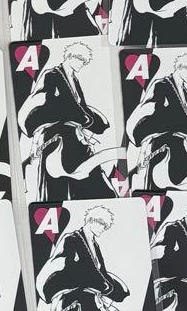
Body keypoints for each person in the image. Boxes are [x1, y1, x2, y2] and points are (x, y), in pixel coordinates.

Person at [20, 42, 116, 201]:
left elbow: (81, 106)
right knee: (57, 185)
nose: (82, 65)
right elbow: (44, 105)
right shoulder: (52, 75)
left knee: (94, 180)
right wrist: (76, 116)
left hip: (75, 137)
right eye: (81, 60)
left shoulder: (74, 79)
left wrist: (91, 123)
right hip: (55, 137)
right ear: (71, 57)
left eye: (85, 62)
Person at [127, 53, 187, 191]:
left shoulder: (184, 90)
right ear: (181, 68)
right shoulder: (161, 85)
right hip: (162, 144)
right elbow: (156, 114)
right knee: (162, 184)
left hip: (180, 143)